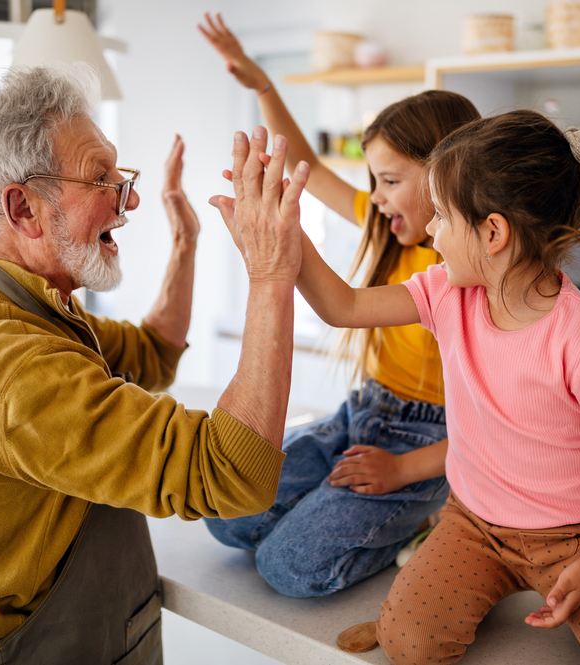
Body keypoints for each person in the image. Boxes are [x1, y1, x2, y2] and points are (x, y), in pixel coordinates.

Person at [0, 64, 308, 664]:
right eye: (101, 177)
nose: (128, 197)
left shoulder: (7, 301)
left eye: (120, 172)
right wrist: (271, 275)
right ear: (25, 209)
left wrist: (186, 244)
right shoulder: (10, 366)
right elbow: (230, 475)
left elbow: (151, 353)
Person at [288, 109, 580, 663]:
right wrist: (281, 234)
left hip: (576, 534)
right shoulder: (444, 291)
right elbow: (343, 307)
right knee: (410, 644)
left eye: (440, 215)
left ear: (492, 233)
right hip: (473, 525)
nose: (430, 230)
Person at [199, 12, 480, 597]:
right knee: (226, 515)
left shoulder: (467, 277)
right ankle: (349, 508)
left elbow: (494, 427)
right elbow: (312, 164)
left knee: (289, 567)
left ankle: (424, 522)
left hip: (427, 445)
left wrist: (403, 469)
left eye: (389, 180)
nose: (374, 198)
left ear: (447, 177)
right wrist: (262, 86)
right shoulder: (388, 226)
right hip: (362, 412)